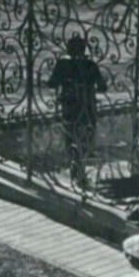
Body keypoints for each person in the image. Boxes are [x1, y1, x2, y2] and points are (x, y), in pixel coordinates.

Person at [47, 35, 107, 188]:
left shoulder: (62, 64)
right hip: (87, 107)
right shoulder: (91, 65)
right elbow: (102, 86)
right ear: (84, 49)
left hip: (70, 106)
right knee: (85, 139)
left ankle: (76, 171)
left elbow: (52, 83)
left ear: (68, 49)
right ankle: (80, 172)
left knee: (70, 137)